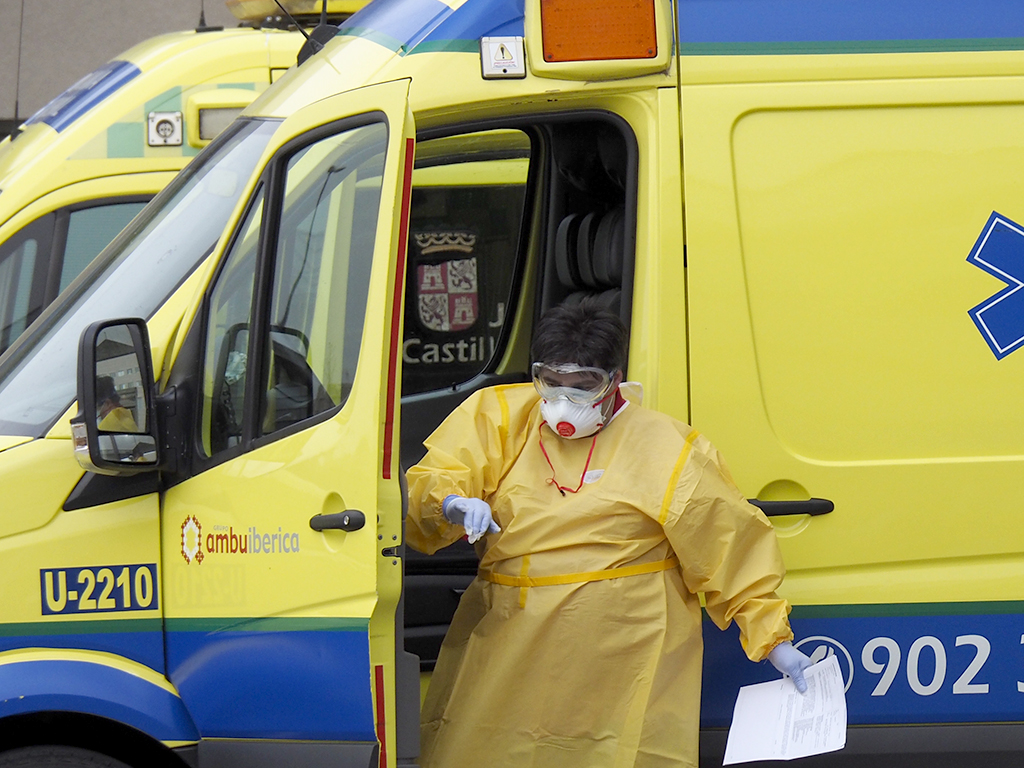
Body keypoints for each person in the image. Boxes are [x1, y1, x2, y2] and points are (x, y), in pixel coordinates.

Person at [406, 300, 812, 768]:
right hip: (510, 644)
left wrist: (773, 641)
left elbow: (725, 543)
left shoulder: (665, 446)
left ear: (613, 381)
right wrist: (452, 502)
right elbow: (435, 482)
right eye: (551, 383)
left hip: (625, 656)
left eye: (583, 388)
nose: (563, 401)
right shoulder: (499, 416)